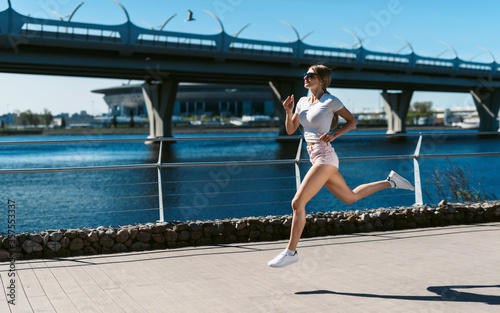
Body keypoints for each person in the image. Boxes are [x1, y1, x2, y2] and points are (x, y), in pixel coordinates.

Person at [268, 64, 415, 268]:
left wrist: (335, 134)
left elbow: (352, 121)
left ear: (321, 79)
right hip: (313, 156)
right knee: (350, 197)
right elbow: (291, 130)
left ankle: (290, 252)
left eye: (310, 75)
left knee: (297, 203)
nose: (305, 77)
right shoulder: (302, 101)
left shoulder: (330, 101)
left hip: (325, 157)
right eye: (305, 74)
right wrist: (289, 111)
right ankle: (391, 182)